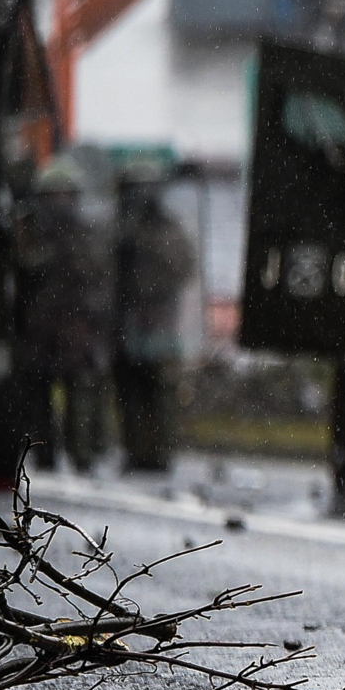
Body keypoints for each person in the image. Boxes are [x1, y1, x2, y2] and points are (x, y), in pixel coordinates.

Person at [16, 159, 109, 472]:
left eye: (65, 195)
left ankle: (82, 454)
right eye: (53, 196)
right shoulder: (30, 233)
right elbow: (22, 273)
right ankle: (45, 455)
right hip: (40, 328)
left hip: (77, 326)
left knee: (81, 393)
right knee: (38, 396)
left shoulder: (86, 234)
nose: (60, 202)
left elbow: (99, 275)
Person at [111, 160, 197, 473]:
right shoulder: (121, 229)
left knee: (159, 393)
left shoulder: (165, 228)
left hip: (158, 325)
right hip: (128, 325)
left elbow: (181, 267)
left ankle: (159, 454)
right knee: (131, 391)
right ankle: (137, 451)